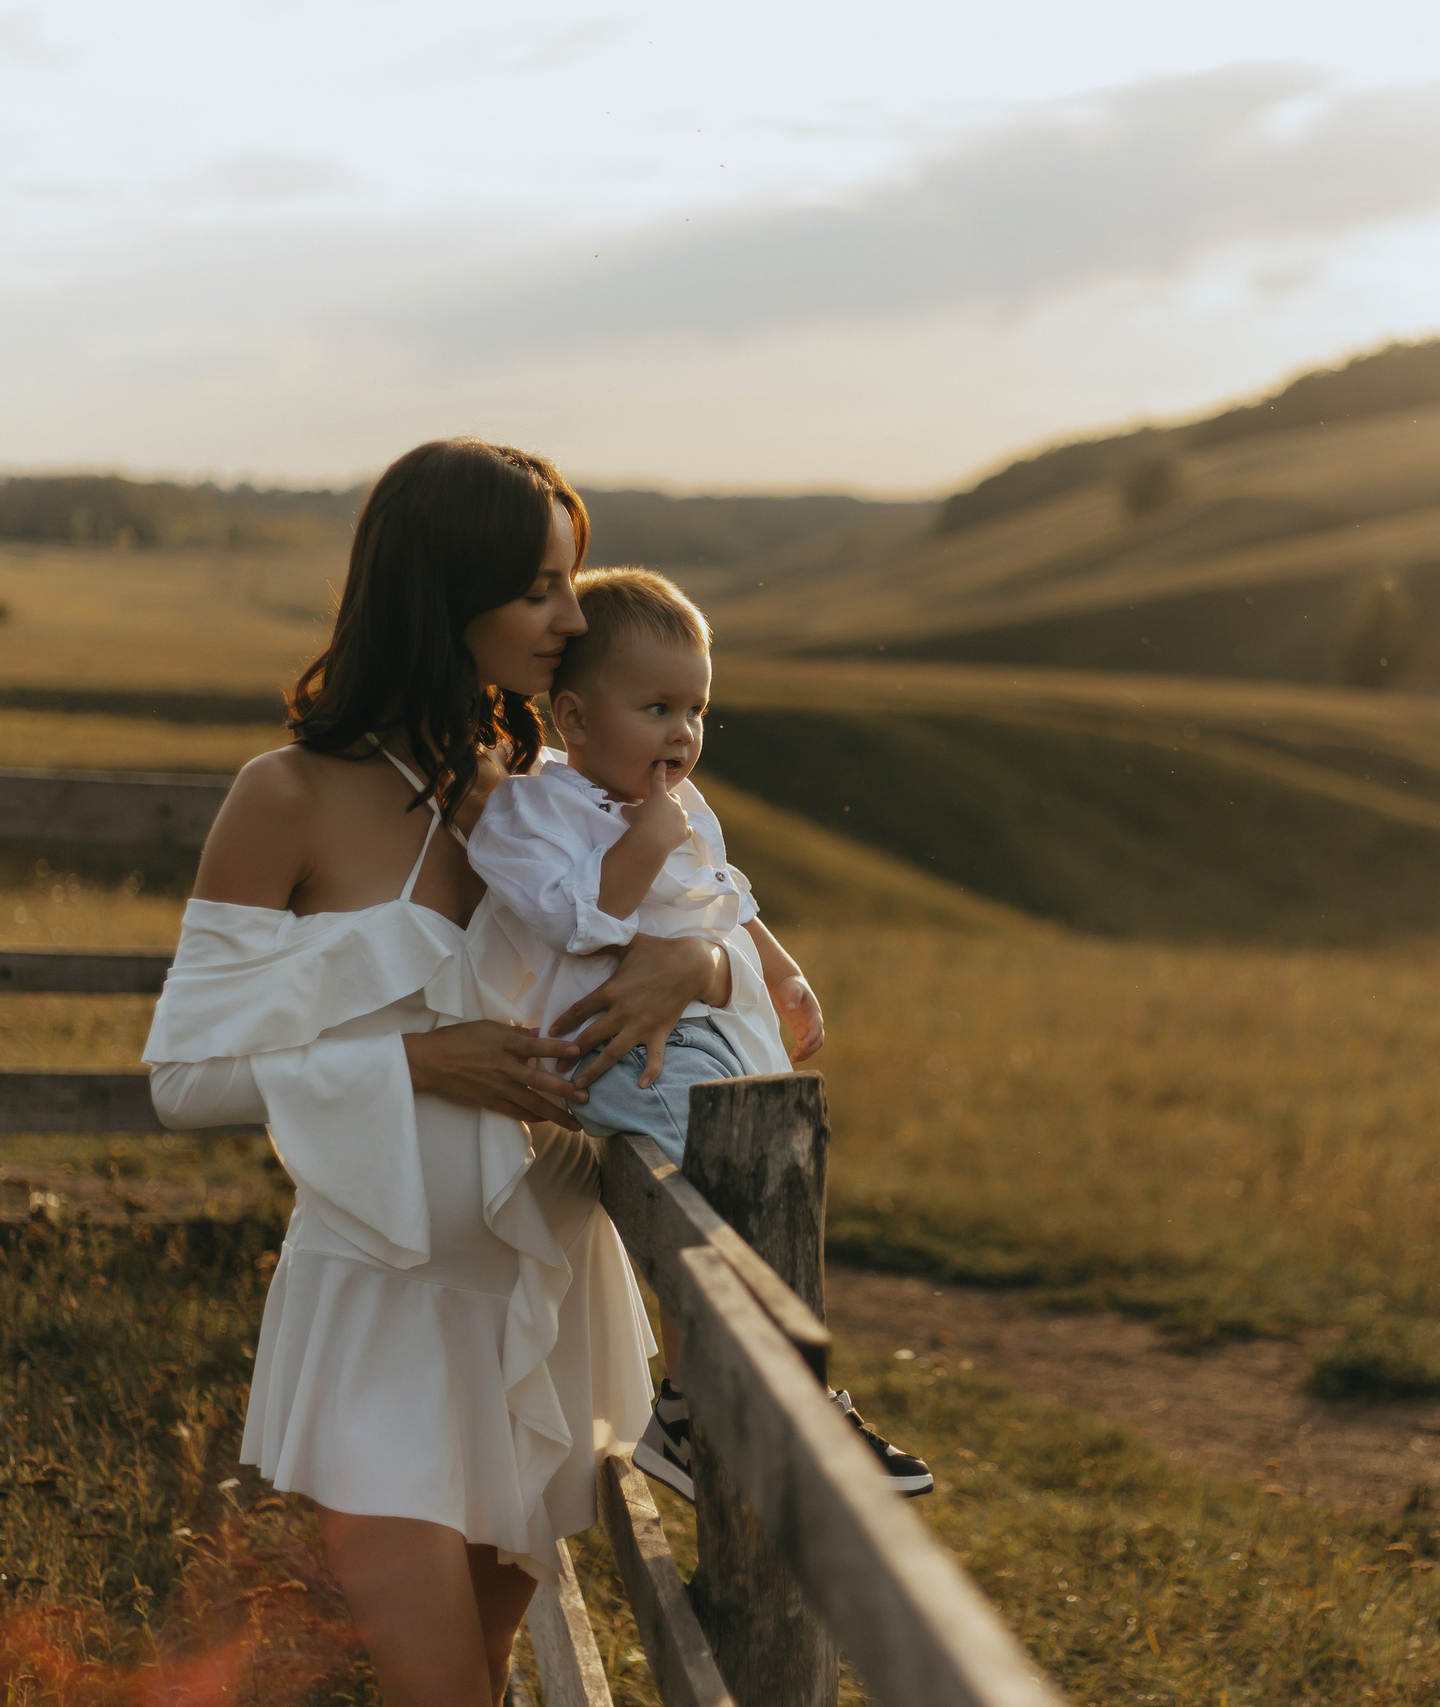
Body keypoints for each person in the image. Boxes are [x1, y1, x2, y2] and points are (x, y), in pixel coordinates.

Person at [142, 439, 758, 1707]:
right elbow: (186, 1077)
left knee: (481, 1673)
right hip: (383, 1296)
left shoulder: (538, 800)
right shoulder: (288, 795)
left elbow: (735, 954)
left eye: (569, 584)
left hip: (538, 1288)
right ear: (447, 591)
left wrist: (689, 962)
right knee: (441, 1690)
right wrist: (424, 1061)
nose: (572, 618)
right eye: (541, 587)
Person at [464, 567, 933, 1501]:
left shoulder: (686, 806)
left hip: (707, 1034)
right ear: (576, 718)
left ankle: (688, 1406)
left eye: (697, 708)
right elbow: (575, 919)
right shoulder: (533, 810)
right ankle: (789, 1401)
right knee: (730, 1213)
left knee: (764, 1181)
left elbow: (726, 899)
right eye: (657, 707)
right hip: (608, 1049)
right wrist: (649, 833)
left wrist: (783, 968)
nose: (683, 732)